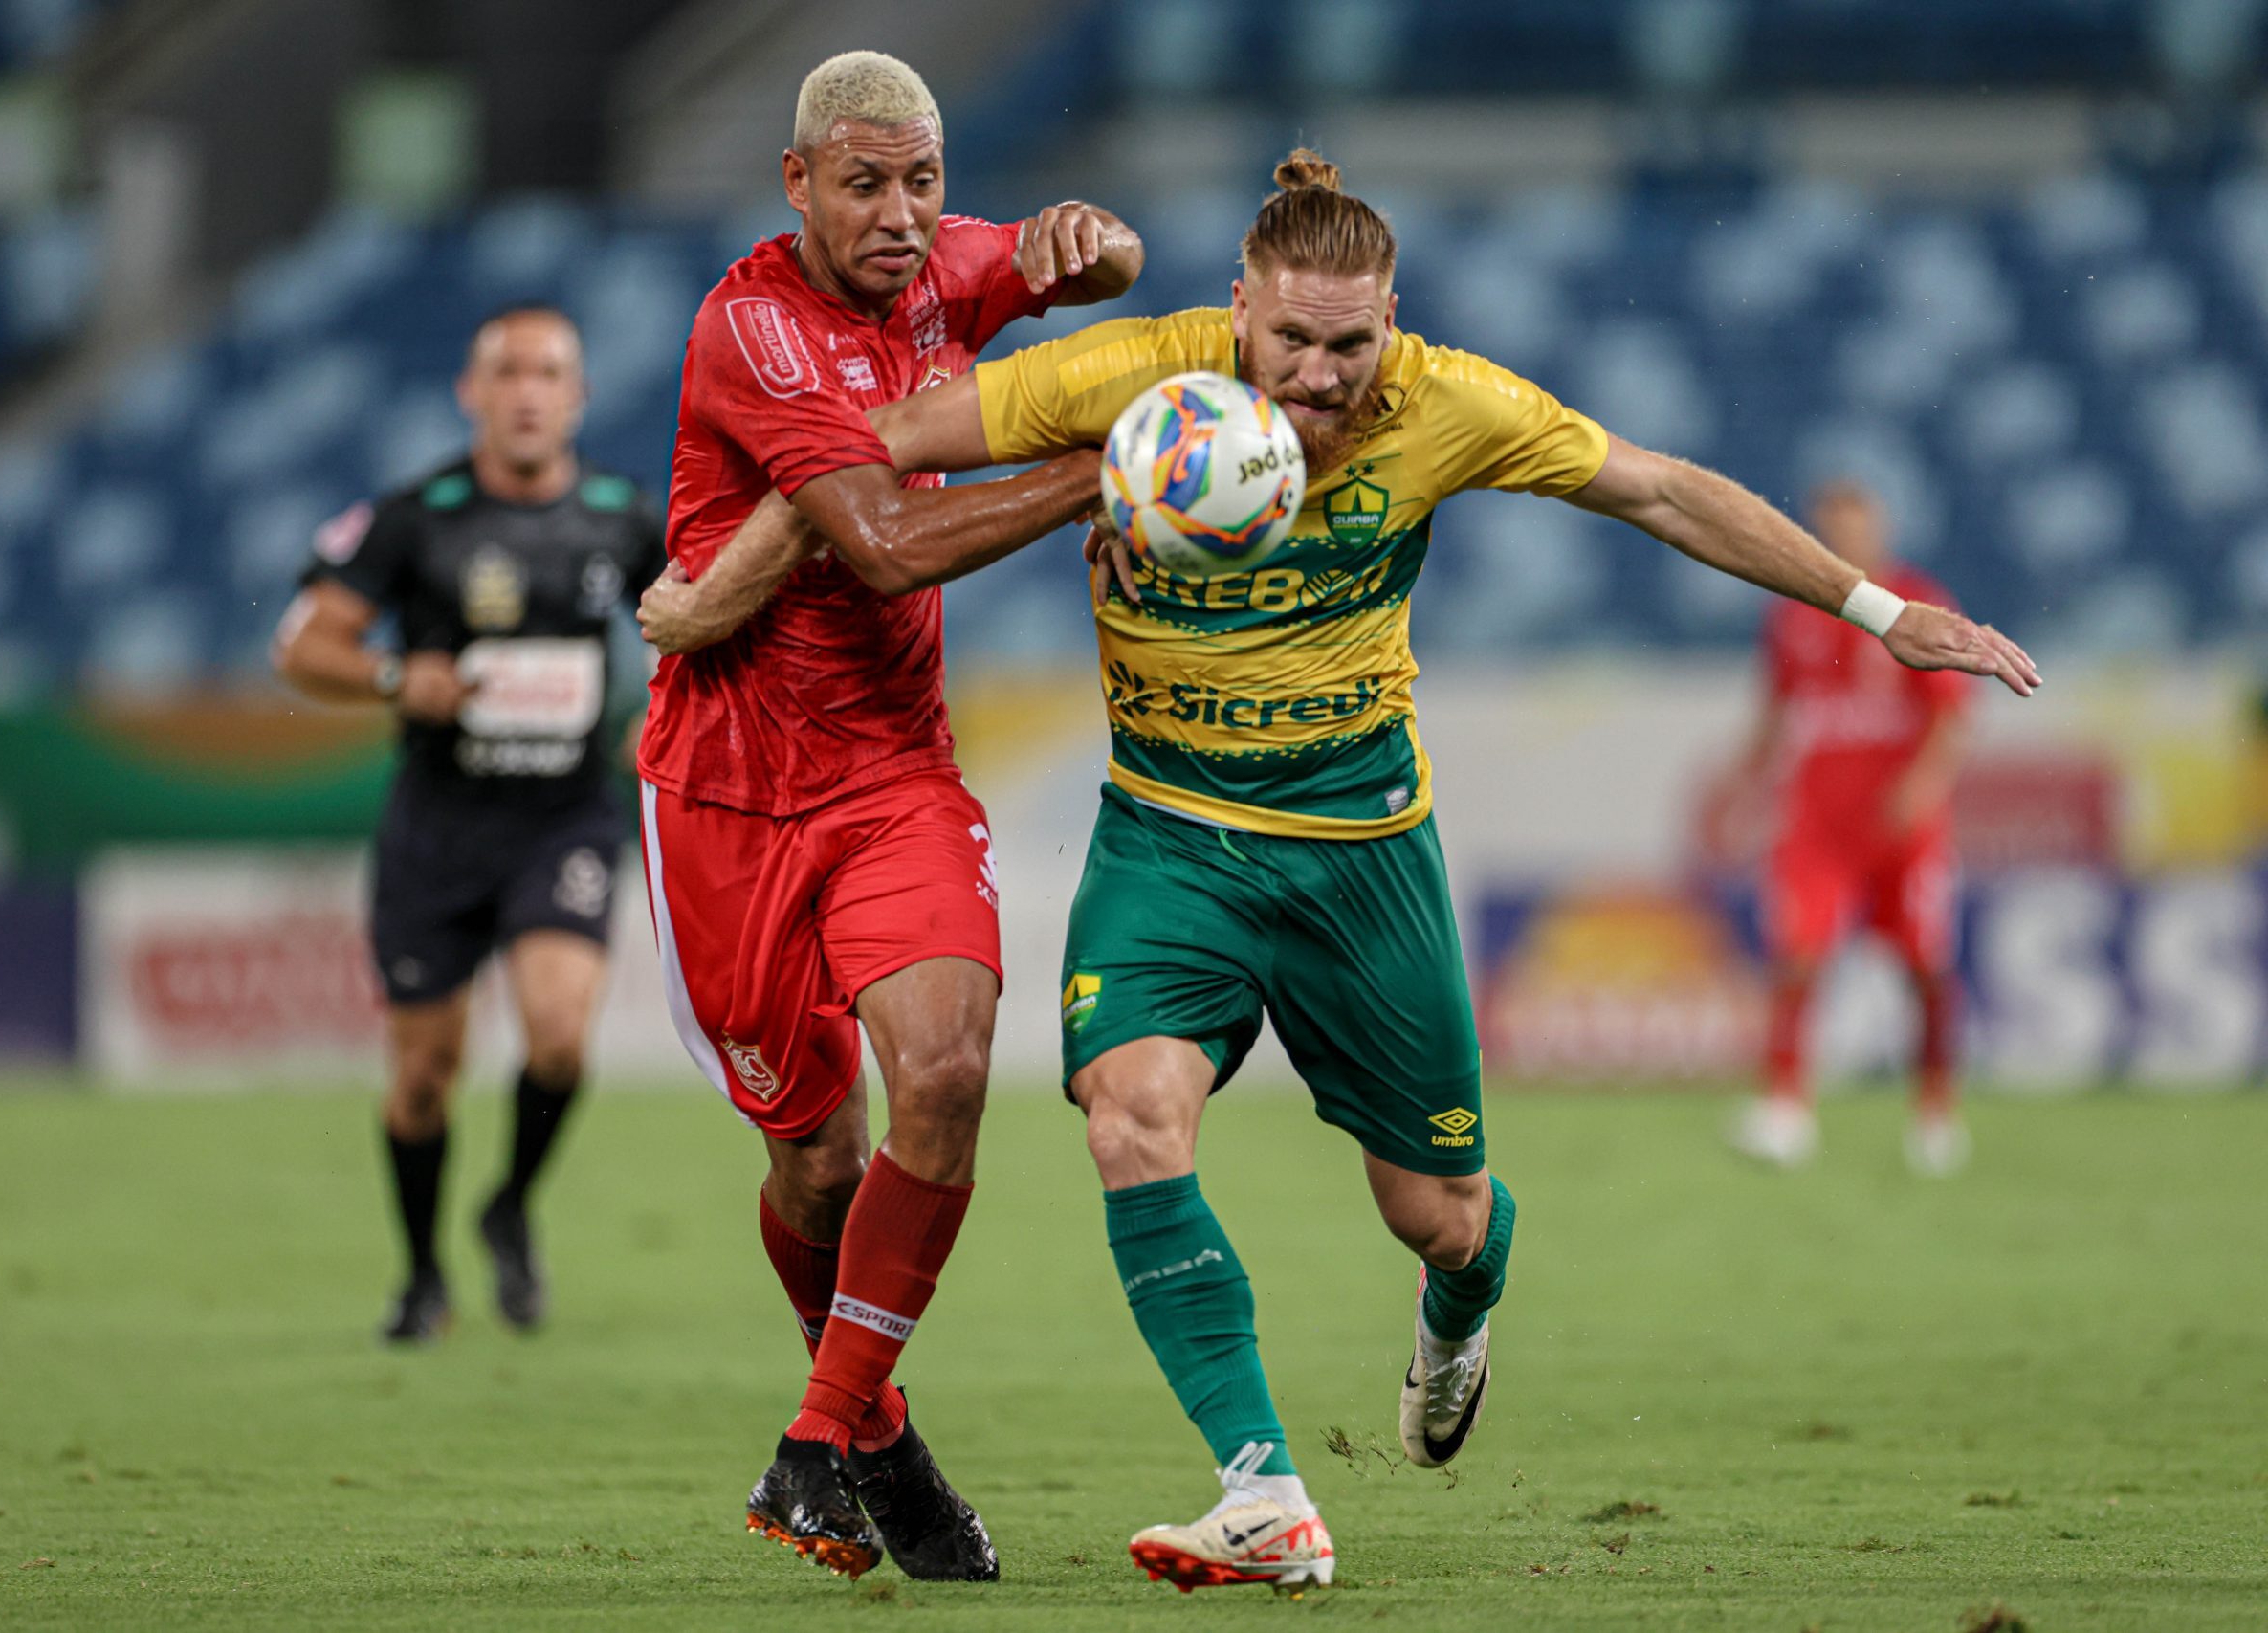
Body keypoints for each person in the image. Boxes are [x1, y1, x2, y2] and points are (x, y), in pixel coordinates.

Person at [646, 150, 2037, 1593]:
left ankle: (1465, 1294)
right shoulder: (1129, 377)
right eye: (1290, 339)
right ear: (1237, 308)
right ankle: (1262, 1490)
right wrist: (717, 591)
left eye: (1351, 341)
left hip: (1362, 852)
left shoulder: (1449, 405)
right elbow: (856, 440)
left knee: (1433, 1210)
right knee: (1128, 1115)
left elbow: (1666, 492)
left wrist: (1881, 610)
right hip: (1171, 834)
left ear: (1395, 320)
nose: (1317, 375)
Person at [630, 51, 1141, 1581]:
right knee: (816, 1161)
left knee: (953, 1060)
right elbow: (887, 548)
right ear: (799, 185)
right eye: (867, 184)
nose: (906, 215)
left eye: (925, 180)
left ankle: (818, 1436)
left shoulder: (938, 262)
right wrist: (1090, 474)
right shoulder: (755, 330)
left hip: (893, 773)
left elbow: (1115, 260)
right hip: (725, 796)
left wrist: (1088, 237)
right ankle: (883, 1439)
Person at [272, 306, 666, 1345]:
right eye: (508, 372)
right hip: (438, 831)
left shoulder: (626, 518)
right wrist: (401, 675)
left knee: (559, 1039)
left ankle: (509, 1205)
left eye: (549, 372)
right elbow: (303, 645)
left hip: (563, 820)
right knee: (422, 1076)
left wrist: (669, 713)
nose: (529, 391)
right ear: (471, 393)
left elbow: (700, 625)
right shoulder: (415, 517)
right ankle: (420, 1275)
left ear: (579, 396)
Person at [1725, 478, 1974, 1176]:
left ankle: (1934, 1107)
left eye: (1854, 524)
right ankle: (1784, 1107)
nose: (1841, 538)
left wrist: (1921, 788)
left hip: (1900, 827)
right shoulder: (1793, 615)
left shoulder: (1917, 605)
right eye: (1827, 526)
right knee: (1796, 953)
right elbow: (1776, 713)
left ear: (1880, 528)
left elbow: (1952, 716)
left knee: (1923, 969)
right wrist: (1745, 790)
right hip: (1817, 825)